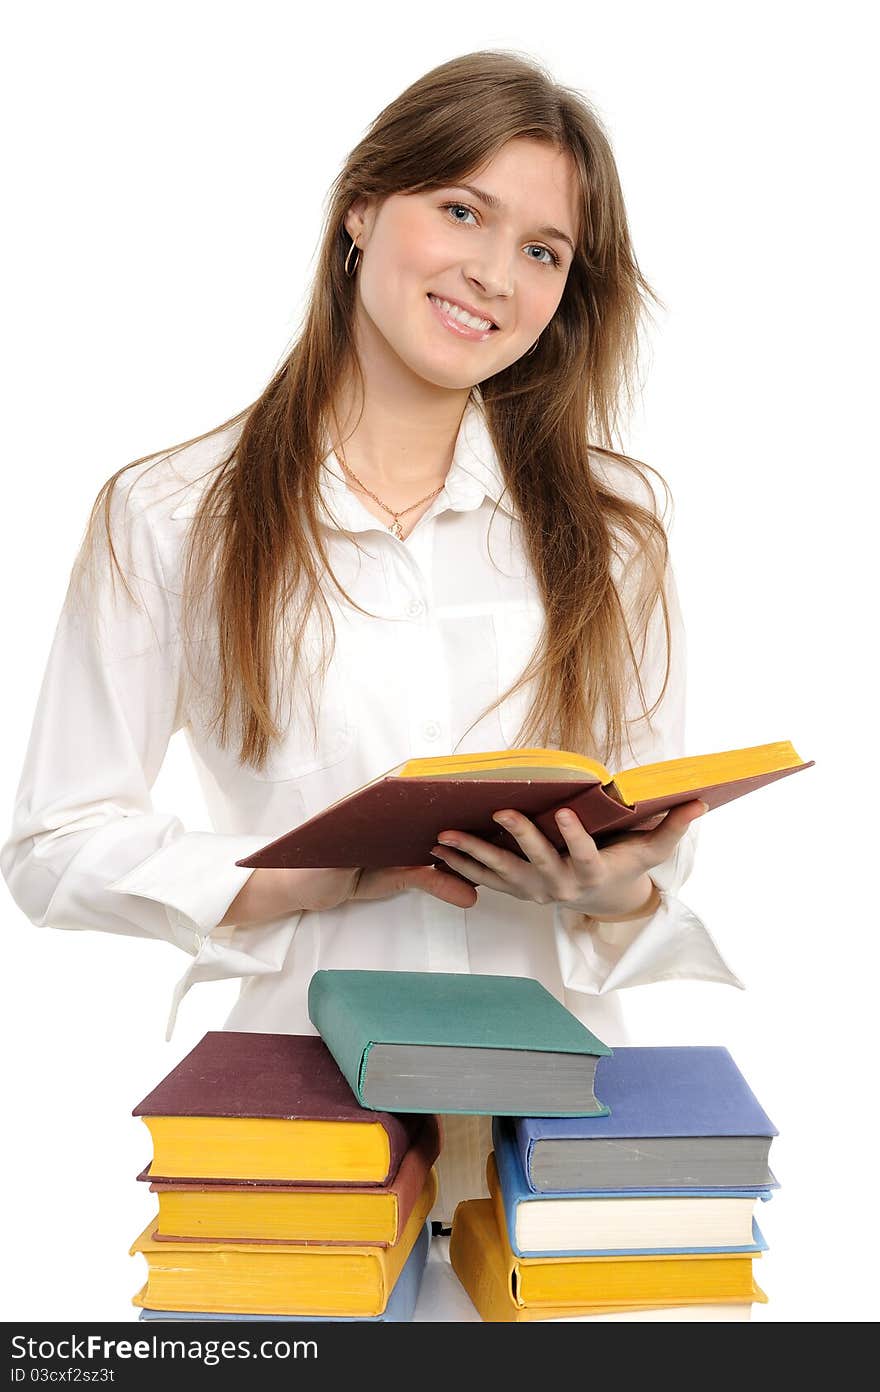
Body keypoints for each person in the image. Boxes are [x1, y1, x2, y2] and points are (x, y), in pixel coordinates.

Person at [0, 50, 741, 1232]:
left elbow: (653, 835)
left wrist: (612, 889)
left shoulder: (613, 534)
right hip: (300, 1124)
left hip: (547, 1126)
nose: (494, 275)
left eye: (543, 252)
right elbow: (54, 843)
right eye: (462, 211)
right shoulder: (170, 514)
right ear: (361, 207)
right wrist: (310, 872)